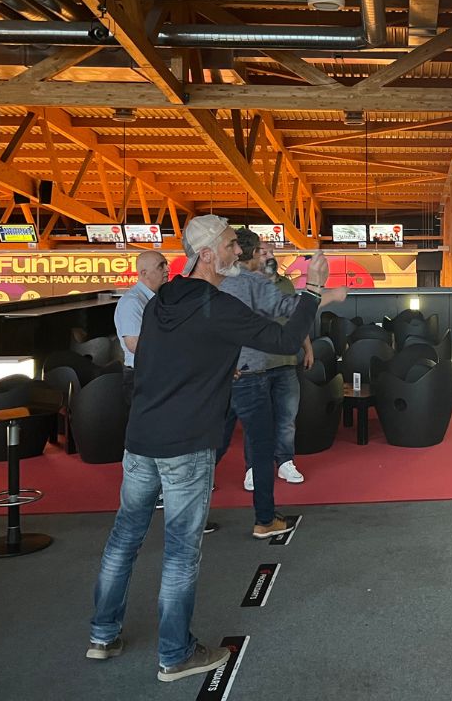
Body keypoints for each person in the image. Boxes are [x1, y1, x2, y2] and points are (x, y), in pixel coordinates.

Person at [87, 214, 330, 683]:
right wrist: (314, 289)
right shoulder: (216, 305)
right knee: (181, 550)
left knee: (124, 538)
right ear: (206, 254)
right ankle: (175, 654)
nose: (238, 251)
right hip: (186, 442)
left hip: (142, 438)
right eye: (230, 244)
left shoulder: (163, 299)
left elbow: (162, 359)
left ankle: (102, 635)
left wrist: (217, 370)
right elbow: (282, 338)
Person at [217, 230, 344, 530]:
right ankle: (264, 520)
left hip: (231, 372)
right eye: (262, 251)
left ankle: (183, 497)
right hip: (250, 372)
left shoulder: (215, 283)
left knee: (218, 439)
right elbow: (292, 311)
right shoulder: (248, 282)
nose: (268, 255)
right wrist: (324, 290)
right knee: (258, 443)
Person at [114, 250, 169, 406]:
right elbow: (134, 345)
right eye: (161, 266)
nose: (167, 270)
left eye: (166, 265)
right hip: (141, 376)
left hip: (152, 373)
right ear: (144, 273)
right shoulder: (132, 302)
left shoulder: (155, 298)